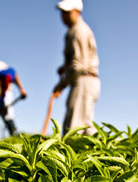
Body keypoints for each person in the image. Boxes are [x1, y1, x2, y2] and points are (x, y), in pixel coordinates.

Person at [51, 0, 100, 136]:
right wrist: (64, 67)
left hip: (83, 80)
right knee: (86, 126)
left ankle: (70, 157)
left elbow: (78, 65)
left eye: (67, 12)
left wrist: (62, 84)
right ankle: (100, 155)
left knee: (72, 128)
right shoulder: (75, 31)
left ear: (77, 12)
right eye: (62, 13)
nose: (64, 16)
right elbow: (78, 60)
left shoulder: (78, 31)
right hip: (88, 80)